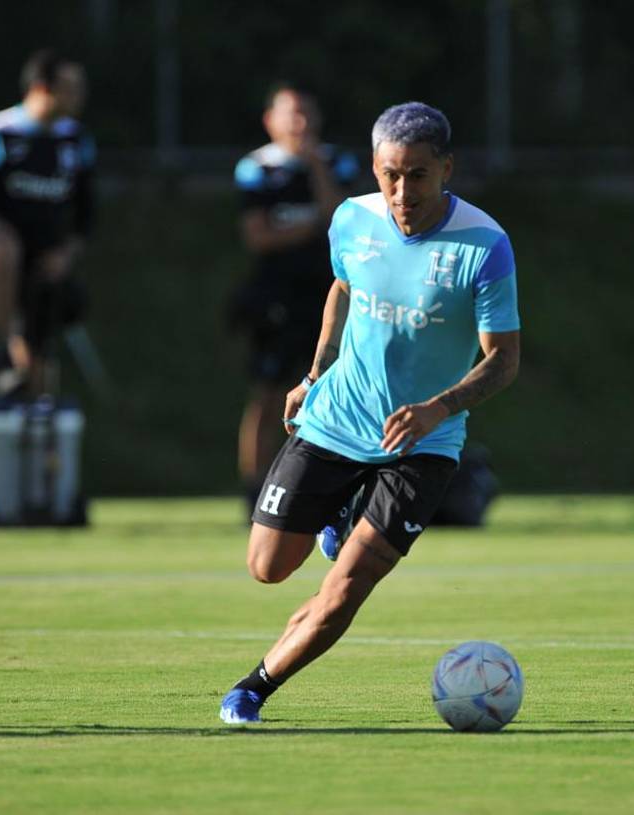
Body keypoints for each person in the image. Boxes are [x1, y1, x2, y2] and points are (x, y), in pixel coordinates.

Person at [219, 101, 521, 724]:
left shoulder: (485, 246)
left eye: (418, 175)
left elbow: (502, 360)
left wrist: (438, 408)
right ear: (375, 167)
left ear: (447, 168)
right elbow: (344, 287)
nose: (402, 192)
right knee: (266, 567)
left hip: (423, 447)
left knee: (346, 588)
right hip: (336, 420)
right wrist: (314, 375)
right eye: (390, 175)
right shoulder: (352, 219)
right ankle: (342, 507)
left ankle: (253, 689)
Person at [229, 83, 358, 510]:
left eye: (307, 113)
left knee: (335, 392)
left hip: (328, 295)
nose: (300, 123)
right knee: (268, 396)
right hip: (277, 298)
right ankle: (255, 490)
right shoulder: (257, 168)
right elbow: (258, 236)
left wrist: (315, 168)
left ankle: (329, 490)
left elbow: (343, 222)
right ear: (270, 120)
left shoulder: (336, 162)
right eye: (291, 113)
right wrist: (313, 226)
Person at [0, 49, 94, 397]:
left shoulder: (75, 141)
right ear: (42, 88)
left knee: (39, 374)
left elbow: (87, 215)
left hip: (44, 268)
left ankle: (34, 396)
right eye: (70, 87)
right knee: (4, 247)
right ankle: (3, 357)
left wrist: (66, 253)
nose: (79, 95)